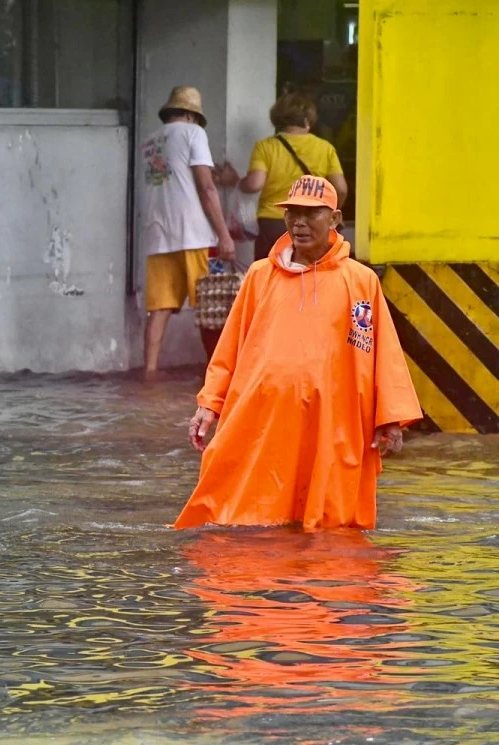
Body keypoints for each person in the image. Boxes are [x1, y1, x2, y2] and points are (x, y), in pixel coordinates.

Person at [176, 176, 422, 531]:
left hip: (331, 424)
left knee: (330, 531)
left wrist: (390, 419)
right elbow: (229, 346)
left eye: (310, 214)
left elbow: (379, 353)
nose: (298, 223)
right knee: (245, 524)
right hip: (262, 421)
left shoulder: (361, 281)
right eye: (292, 213)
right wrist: (208, 404)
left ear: (335, 219)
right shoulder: (260, 276)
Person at [140, 86, 236, 380]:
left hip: (158, 235)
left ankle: (149, 374)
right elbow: (206, 187)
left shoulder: (150, 141)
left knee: (159, 309)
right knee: (212, 306)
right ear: (192, 115)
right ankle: (218, 377)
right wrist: (224, 234)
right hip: (194, 234)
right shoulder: (194, 134)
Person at [220, 93, 349, 261]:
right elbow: (341, 189)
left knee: (270, 274)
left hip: (273, 222)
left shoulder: (266, 147)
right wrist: (328, 215)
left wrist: (235, 181)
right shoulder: (325, 148)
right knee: (311, 273)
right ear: (308, 120)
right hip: (313, 223)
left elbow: (254, 184)